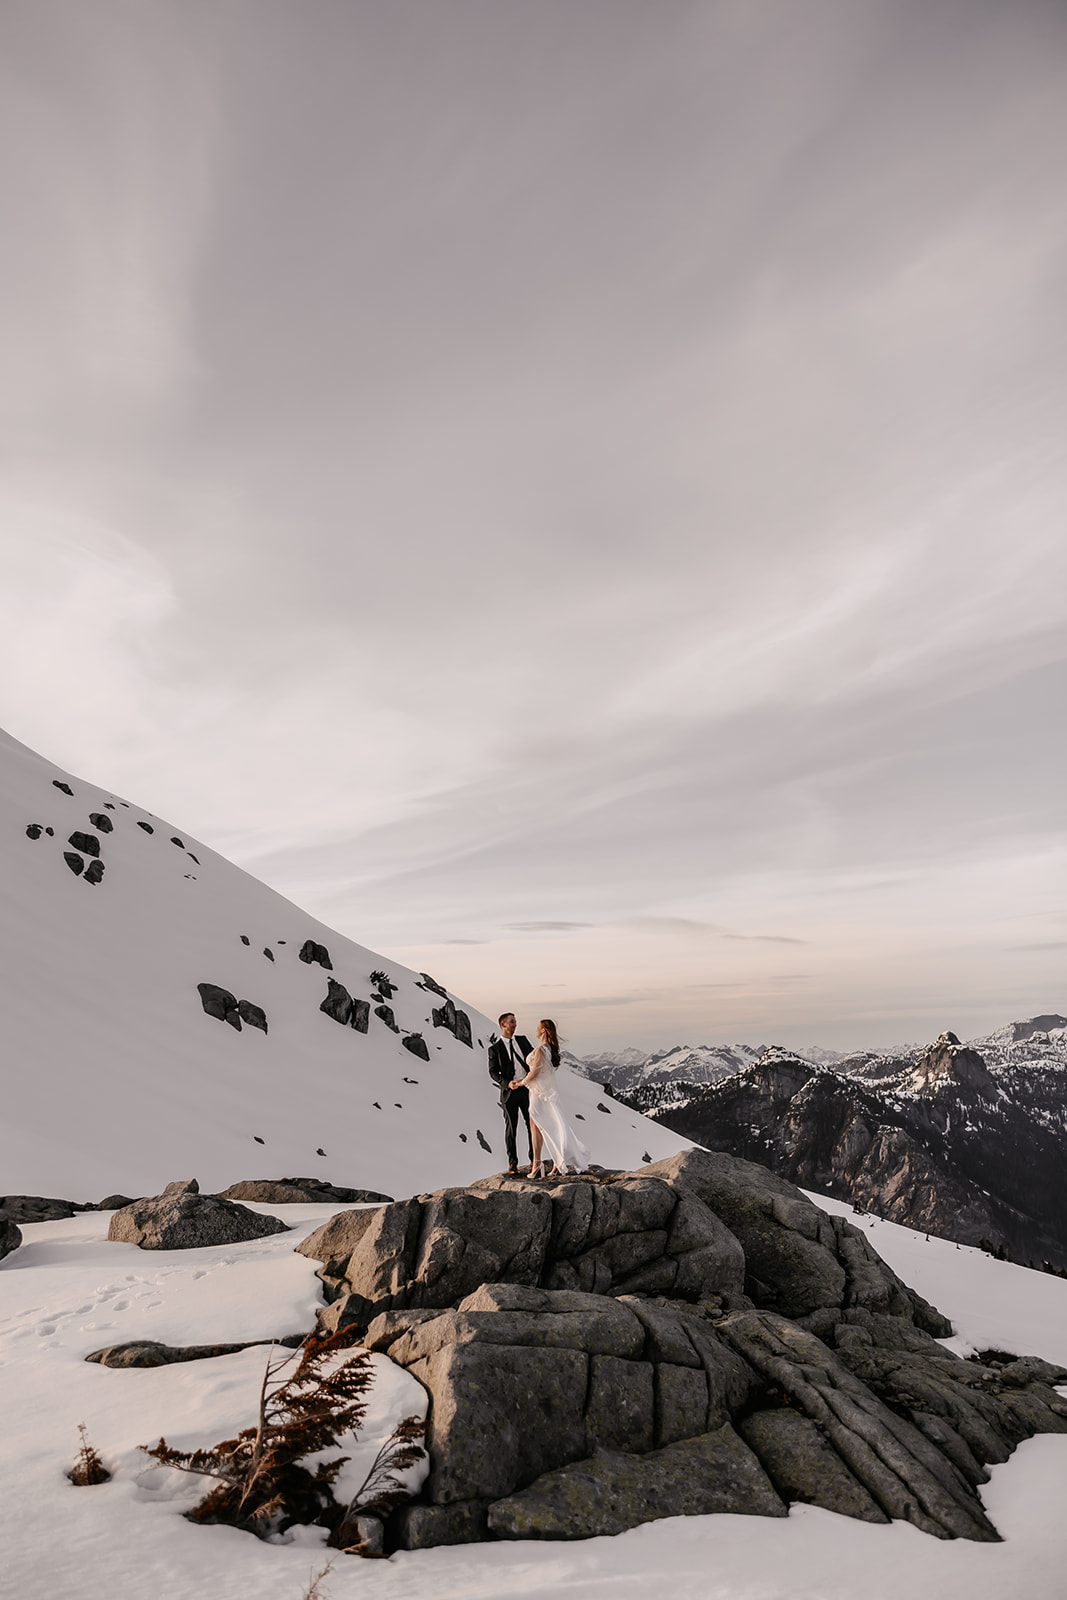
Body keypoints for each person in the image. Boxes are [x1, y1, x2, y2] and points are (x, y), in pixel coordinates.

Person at [510, 1018, 590, 1178]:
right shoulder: (549, 1049)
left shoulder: (540, 1050)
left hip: (538, 1092)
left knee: (538, 1125)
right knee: (551, 1124)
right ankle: (554, 1162)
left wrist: (520, 1083)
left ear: (544, 1031)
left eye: (538, 1028)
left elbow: (536, 1072)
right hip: (543, 1091)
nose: (536, 1030)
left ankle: (538, 1163)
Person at [487, 1011, 534, 1174]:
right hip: (510, 1093)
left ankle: (534, 1160)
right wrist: (507, 1083)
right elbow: (493, 1072)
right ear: (503, 1024)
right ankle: (512, 1163)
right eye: (512, 1022)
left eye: (515, 1021)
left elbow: (534, 1059)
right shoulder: (495, 1049)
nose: (515, 1024)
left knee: (532, 1126)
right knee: (511, 1128)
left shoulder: (523, 1040)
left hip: (527, 1089)